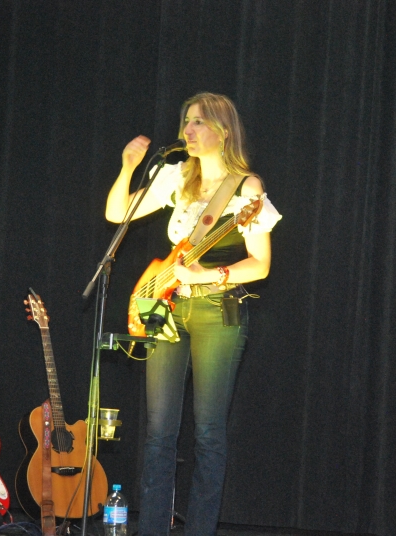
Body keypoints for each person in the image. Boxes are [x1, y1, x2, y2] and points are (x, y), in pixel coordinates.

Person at [105, 92, 281, 536]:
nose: (188, 130)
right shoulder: (176, 175)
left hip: (216, 312)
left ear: (223, 130)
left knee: (208, 432)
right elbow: (116, 213)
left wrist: (210, 274)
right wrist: (128, 167)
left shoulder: (246, 189)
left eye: (198, 122)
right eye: (186, 121)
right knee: (159, 431)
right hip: (166, 307)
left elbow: (260, 265)